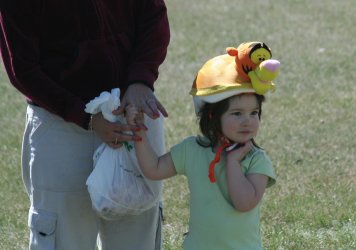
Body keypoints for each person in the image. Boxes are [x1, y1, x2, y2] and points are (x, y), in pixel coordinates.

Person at [0, 0, 170, 249]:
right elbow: (23, 69)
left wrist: (140, 81)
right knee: (64, 237)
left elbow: (153, 16)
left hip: (129, 111)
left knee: (136, 234)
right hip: (60, 124)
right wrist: (84, 117)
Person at [128, 41, 278, 250]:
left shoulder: (256, 159)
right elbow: (154, 169)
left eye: (254, 113)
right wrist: (139, 131)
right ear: (211, 116)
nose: (248, 121)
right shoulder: (192, 149)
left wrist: (233, 162)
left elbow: (244, 203)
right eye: (237, 114)